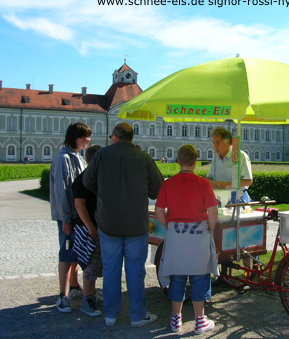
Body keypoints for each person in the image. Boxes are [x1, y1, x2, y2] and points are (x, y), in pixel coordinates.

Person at [83, 122, 163, 327]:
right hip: (136, 224)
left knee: (111, 269)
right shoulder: (144, 157)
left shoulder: (101, 155)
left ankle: (110, 315)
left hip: (109, 223)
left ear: (115, 137)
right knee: (136, 270)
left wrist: (103, 191)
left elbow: (87, 182)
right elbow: (157, 189)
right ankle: (137, 315)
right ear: (131, 138)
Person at [155, 144, 218, 334]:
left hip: (176, 235)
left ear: (178, 161)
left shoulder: (168, 183)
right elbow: (213, 211)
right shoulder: (203, 184)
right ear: (195, 162)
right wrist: (212, 229)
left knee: (177, 276)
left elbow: (159, 211)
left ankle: (176, 319)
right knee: (200, 276)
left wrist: (169, 227)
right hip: (199, 234)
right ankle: (200, 320)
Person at [50, 122, 92, 313]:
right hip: (69, 217)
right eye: (85, 136)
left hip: (78, 216)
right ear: (75, 137)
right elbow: (61, 191)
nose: (88, 140)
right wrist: (66, 219)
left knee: (76, 253)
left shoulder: (78, 157)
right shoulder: (63, 159)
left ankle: (74, 287)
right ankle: (62, 296)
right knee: (66, 254)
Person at [72, 144, 103, 317]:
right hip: (88, 228)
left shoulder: (94, 177)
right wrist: (91, 228)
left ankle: (91, 294)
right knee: (90, 264)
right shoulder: (85, 178)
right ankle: (87, 300)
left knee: (96, 263)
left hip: (95, 227)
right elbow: (79, 204)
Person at [206, 126, 253, 202]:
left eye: (217, 143)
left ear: (227, 142)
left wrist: (225, 185)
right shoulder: (215, 158)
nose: (215, 146)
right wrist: (210, 182)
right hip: (218, 198)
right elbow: (210, 176)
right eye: (213, 143)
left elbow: (248, 181)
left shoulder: (241, 156)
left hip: (237, 198)